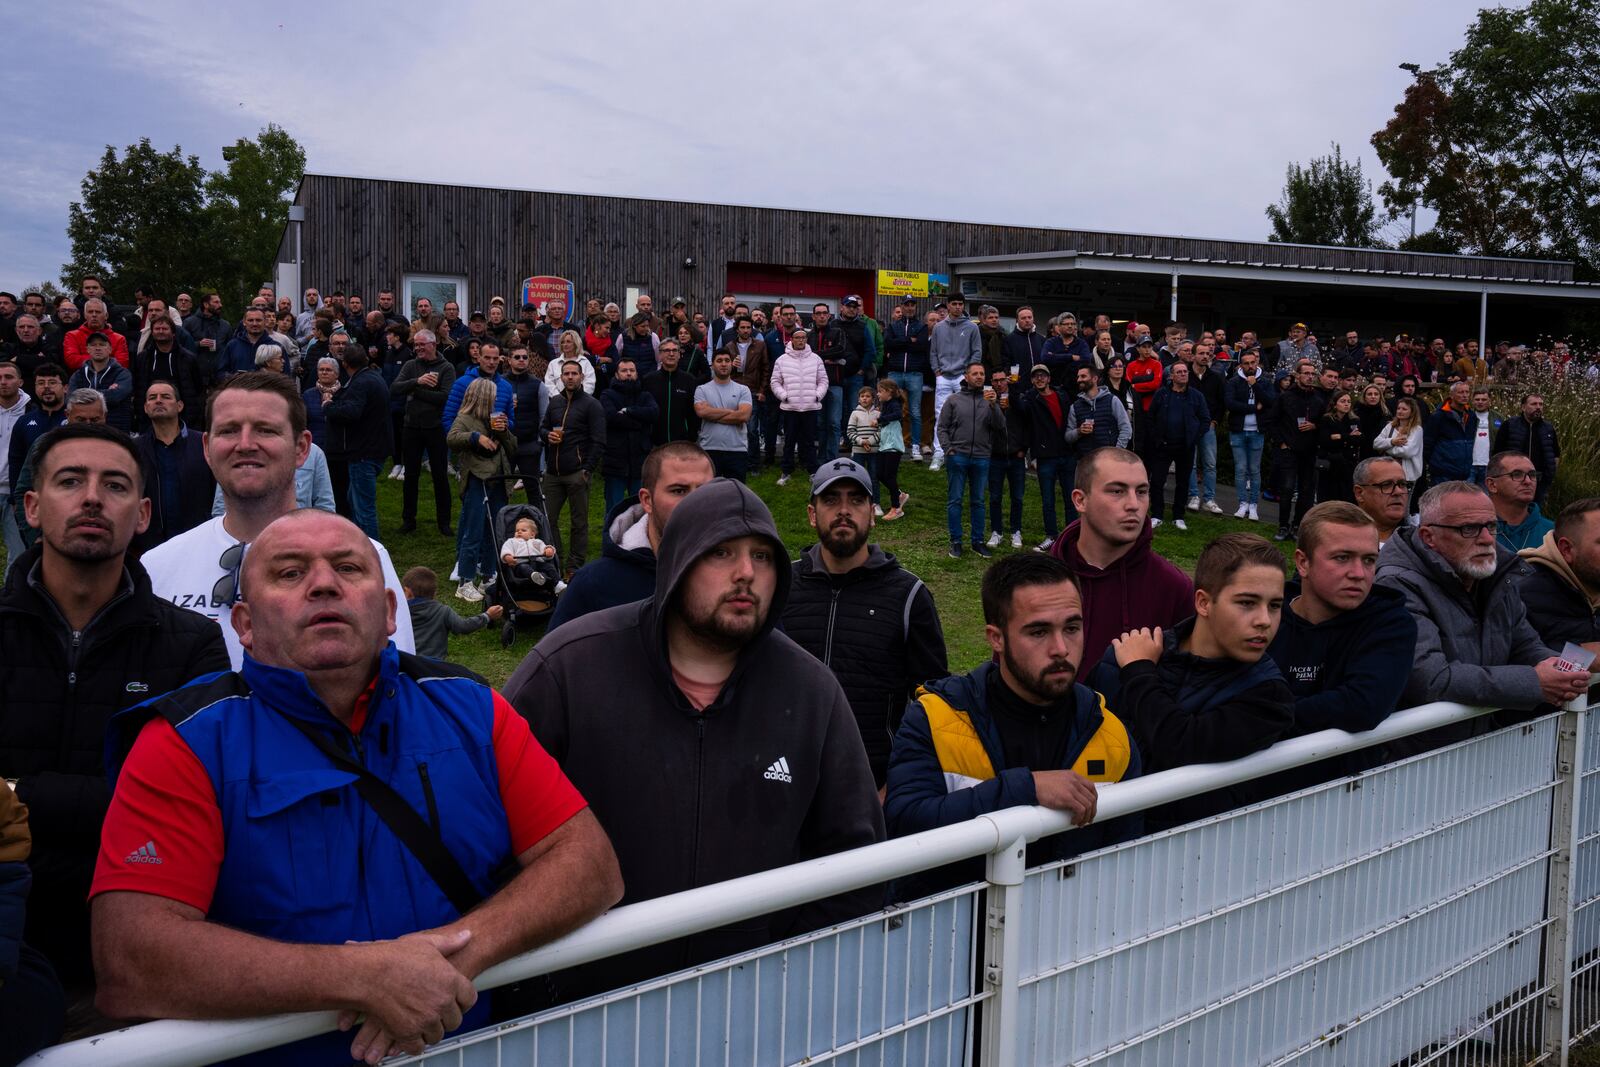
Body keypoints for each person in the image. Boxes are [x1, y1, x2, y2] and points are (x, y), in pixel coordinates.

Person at [92, 509, 622, 1066]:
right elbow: (132, 958)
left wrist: (455, 958)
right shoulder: (186, 741)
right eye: (290, 573)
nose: (324, 583)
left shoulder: (471, 708)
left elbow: (589, 864)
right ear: (243, 625)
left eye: (348, 567)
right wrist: (361, 977)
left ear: (389, 610)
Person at [503, 479, 885, 998]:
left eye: (762, 557)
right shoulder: (568, 669)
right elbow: (488, 840)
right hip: (581, 1011)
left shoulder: (811, 691)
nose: (746, 573)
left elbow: (855, 858)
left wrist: (787, 976)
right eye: (720, 552)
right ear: (677, 562)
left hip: (751, 1008)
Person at [1, 423, 228, 990]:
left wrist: (18, 795)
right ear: (32, 506)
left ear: (144, 513)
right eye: (70, 481)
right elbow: (136, 804)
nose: (93, 498)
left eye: (116, 485)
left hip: (135, 935)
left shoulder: (192, 643)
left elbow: (189, 806)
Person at [884, 553, 1139, 889]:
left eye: (1072, 628)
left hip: (1067, 934)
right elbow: (903, 823)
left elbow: (1128, 861)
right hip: (948, 933)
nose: (1061, 648)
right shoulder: (936, 716)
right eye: (1038, 632)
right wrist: (1026, 788)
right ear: (996, 638)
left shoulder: (1110, 734)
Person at [142, 372, 415, 667]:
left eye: (266, 430)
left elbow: (394, 686)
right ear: (207, 448)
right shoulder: (157, 566)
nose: (245, 444)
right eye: (229, 431)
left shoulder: (364, 559)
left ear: (301, 448)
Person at [1375, 480, 1589, 757]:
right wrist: (1535, 682)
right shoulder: (1398, 584)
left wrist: (1567, 671)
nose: (1488, 539)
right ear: (1429, 537)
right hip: (1416, 762)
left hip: (1484, 745)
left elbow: (1525, 645)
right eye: (1469, 529)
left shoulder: (1496, 574)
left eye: (1491, 526)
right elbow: (1430, 678)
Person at [1102, 533, 1296, 829]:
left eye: (1274, 605)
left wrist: (1140, 673)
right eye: (1247, 603)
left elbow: (1181, 744)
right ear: (1204, 603)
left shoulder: (1269, 695)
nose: (1264, 620)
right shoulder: (1129, 654)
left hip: (1196, 854)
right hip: (1097, 848)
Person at [782, 458, 948, 788]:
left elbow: (934, 703)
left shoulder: (908, 594)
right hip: (784, 780)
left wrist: (899, 781)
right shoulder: (779, 586)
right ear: (812, 514)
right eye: (831, 500)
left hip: (873, 785)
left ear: (872, 514)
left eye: (856, 500)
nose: (844, 510)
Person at [1262, 502, 1416, 792]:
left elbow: (1363, 705)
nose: (1358, 573)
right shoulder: (1265, 613)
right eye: (1342, 558)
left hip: (1341, 800)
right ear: (1303, 562)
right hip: (1244, 797)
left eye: (1369, 560)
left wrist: (1255, 718)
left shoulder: (1391, 622)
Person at [1049, 447, 1194, 678]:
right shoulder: (1038, 581)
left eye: (1142, 491)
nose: (1133, 504)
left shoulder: (1174, 589)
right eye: (1117, 491)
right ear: (1080, 500)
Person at [548, 442, 714, 631]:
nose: (694, 502)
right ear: (647, 500)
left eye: (704, 490)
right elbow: (555, 659)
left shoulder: (738, 574)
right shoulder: (594, 584)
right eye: (679, 491)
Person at [447, 378, 518, 603]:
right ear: (484, 396)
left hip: (499, 480)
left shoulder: (496, 418)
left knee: (494, 530)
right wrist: (476, 437)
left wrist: (505, 431)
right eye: (494, 396)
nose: (497, 399)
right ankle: (465, 581)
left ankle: (488, 575)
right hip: (478, 480)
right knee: (474, 530)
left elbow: (513, 447)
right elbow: (452, 438)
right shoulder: (466, 418)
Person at [130, 381, 214, 551]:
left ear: (179, 405)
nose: (158, 401)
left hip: (198, 543)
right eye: (152, 398)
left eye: (166, 397)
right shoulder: (134, 449)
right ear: (146, 408)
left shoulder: (203, 443)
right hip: (150, 547)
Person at [540, 360, 606, 576]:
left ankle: (574, 566)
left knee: (579, 523)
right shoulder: (555, 402)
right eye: (566, 374)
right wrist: (546, 436)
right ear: (561, 377)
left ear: (581, 377)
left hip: (577, 472)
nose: (570, 377)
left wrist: (587, 469)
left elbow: (599, 441)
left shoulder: (591, 405)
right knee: (547, 520)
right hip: (553, 473)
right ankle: (555, 560)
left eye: (574, 373)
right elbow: (543, 428)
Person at [390, 330, 457, 536]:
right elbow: (394, 388)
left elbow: (445, 397)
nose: (417, 348)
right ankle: (408, 520)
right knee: (411, 475)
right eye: (415, 345)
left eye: (422, 345)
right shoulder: (411, 366)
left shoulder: (446, 368)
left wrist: (415, 392)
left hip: (436, 428)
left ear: (433, 344)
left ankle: (443, 522)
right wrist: (417, 382)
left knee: (440, 476)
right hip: (411, 427)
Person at [937, 362, 1006, 559]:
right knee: (955, 500)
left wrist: (994, 406)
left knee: (978, 501)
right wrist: (948, 449)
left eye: (982, 373)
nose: (979, 377)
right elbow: (942, 427)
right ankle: (956, 541)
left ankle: (977, 541)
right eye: (974, 373)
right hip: (957, 456)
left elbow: (1000, 427)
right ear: (966, 377)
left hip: (982, 457)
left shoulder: (990, 400)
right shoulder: (954, 399)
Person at [323, 346, 392, 540]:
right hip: (374, 448)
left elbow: (351, 412)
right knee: (353, 500)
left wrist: (328, 406)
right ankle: (358, 543)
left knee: (363, 507)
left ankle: (371, 551)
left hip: (363, 452)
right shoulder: (372, 377)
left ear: (344, 364)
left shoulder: (361, 382)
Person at [1518, 498, 1600, 654]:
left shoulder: (1593, 580)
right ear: (1567, 550)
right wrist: (1584, 656)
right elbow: (1514, 659)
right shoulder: (1521, 596)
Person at [1144, 360, 1209, 531]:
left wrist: (1194, 437)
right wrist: (1156, 438)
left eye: (1185, 371)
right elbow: (1150, 418)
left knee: (1183, 483)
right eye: (1179, 372)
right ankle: (1157, 514)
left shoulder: (1196, 396)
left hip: (1185, 447)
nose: (1183, 374)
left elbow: (1205, 420)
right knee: (1157, 481)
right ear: (1171, 376)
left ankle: (1178, 516)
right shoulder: (1161, 394)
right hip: (1163, 446)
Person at [1016, 363, 1073, 545]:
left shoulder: (1062, 395)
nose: (1039, 379)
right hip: (1045, 455)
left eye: (1042, 375)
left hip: (1066, 453)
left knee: (1070, 497)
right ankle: (1051, 535)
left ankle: (1072, 536)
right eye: (1035, 376)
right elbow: (1020, 409)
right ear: (1032, 381)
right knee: (1047, 499)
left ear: (1049, 378)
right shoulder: (1030, 399)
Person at [403, 565, 503, 661]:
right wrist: (487, 615)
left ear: (408, 592)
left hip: (406, 664)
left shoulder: (398, 612)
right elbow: (463, 626)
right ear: (434, 593)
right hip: (434, 667)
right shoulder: (442, 611)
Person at [927, 295, 981, 471]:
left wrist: (968, 373)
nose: (958, 307)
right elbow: (933, 351)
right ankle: (939, 454)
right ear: (948, 306)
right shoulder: (938, 328)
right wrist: (936, 370)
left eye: (960, 304)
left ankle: (961, 452)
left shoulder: (972, 327)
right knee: (940, 415)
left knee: (964, 415)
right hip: (942, 376)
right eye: (954, 304)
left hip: (962, 376)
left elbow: (976, 352)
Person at [1272, 360, 1324, 540]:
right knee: (1286, 489)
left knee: (1306, 491)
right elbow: (1273, 421)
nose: (1310, 377)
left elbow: (1324, 424)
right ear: (1298, 375)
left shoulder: (1318, 398)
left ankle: (1296, 526)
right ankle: (1283, 526)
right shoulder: (1286, 397)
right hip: (1289, 449)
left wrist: (1314, 426)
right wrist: (1281, 443)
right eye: (1306, 373)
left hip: (1309, 452)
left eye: (1312, 374)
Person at [598, 357, 659, 511]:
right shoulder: (607, 394)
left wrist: (628, 411)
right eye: (624, 371)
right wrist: (639, 422)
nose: (628, 374)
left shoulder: (645, 396)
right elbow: (611, 417)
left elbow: (653, 413)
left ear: (637, 373)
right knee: (614, 508)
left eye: (632, 370)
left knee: (641, 508)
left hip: (640, 460)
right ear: (617, 374)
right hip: (615, 459)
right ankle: (610, 536)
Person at [771, 328, 827, 485]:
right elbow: (775, 381)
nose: (801, 340)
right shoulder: (782, 360)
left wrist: (817, 395)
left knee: (809, 441)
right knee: (789, 440)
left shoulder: (815, 359)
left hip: (810, 407)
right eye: (798, 338)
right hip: (790, 407)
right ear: (792, 340)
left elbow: (823, 380)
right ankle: (786, 472)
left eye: (803, 337)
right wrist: (784, 396)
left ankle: (813, 471)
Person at [1225, 348, 1274, 521]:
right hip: (1238, 431)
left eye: (1252, 362)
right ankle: (1242, 503)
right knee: (1240, 470)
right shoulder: (1233, 382)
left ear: (1257, 362)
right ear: (1241, 365)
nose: (1250, 366)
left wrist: (1255, 385)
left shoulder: (1266, 381)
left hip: (1257, 431)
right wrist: (1253, 408)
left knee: (1254, 470)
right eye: (1246, 363)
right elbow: (1230, 404)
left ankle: (1253, 505)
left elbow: (1269, 402)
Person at [693, 350, 753, 482]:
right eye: (719, 361)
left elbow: (743, 416)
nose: (724, 364)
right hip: (709, 448)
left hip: (737, 449)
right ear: (712, 365)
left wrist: (713, 414)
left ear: (732, 364)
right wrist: (732, 412)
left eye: (727, 360)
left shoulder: (743, 390)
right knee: (710, 494)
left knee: (736, 493)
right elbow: (702, 412)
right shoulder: (701, 390)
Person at [883, 297, 930, 459]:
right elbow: (888, 344)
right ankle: (890, 443)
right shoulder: (893, 325)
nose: (909, 308)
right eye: (906, 305)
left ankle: (915, 446)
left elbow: (922, 345)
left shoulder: (922, 326)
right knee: (890, 409)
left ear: (915, 307)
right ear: (901, 307)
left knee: (915, 412)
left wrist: (900, 342)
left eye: (912, 305)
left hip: (914, 373)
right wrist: (909, 340)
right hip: (895, 372)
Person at [1495, 393, 1561, 507]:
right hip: (1515, 477)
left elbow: (1555, 454)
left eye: (1541, 404)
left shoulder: (1548, 428)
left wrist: (1550, 475)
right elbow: (1497, 452)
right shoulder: (1510, 425)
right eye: (1534, 404)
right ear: (1523, 407)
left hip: (1540, 479)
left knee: (1535, 511)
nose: (1538, 407)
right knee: (1515, 509)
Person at [1485, 450, 1553, 552]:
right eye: (1517, 474)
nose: (1528, 481)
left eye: (1532, 475)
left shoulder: (1552, 533)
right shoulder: (1475, 531)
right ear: (1492, 485)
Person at [1185, 346, 1226, 514]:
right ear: (1193, 355)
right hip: (1189, 426)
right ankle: (1194, 496)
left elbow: (1221, 402)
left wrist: (1215, 421)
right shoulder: (1185, 375)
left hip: (1208, 426)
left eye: (1208, 354)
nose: (1205, 356)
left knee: (1210, 464)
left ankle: (1209, 499)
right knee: (1191, 463)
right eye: (1201, 353)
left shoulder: (1215, 378)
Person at [66, 332, 134, 431]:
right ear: (88, 349)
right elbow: (70, 399)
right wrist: (106, 392)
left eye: (102, 344)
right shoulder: (78, 375)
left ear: (110, 349)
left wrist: (83, 395)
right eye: (93, 345)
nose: (97, 348)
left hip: (116, 430)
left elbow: (116, 396)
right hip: (83, 430)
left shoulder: (123, 373)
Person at [641, 338, 700, 448]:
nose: (671, 354)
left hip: (683, 443)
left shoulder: (689, 380)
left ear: (679, 355)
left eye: (675, 350)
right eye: (667, 350)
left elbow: (694, 413)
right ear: (660, 355)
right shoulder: (648, 380)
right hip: (654, 443)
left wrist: (691, 436)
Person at [0, 362, 30, 561]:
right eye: (0, 377)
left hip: (14, 493)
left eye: (9, 377)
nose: (3, 382)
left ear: (20, 381)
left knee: (19, 554)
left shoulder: (31, 413)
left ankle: (12, 593)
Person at [1423, 381, 1477, 487]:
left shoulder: (1471, 416)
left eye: (1467, 392)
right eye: (1460, 392)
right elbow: (1427, 444)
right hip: (1443, 474)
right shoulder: (1438, 417)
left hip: (1465, 473)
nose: (1465, 395)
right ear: (1451, 395)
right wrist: (1436, 465)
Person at [1351, 456, 1414, 547]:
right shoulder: (1340, 542)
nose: (1398, 492)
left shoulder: (1423, 543)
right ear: (1359, 493)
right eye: (1386, 485)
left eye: (1402, 484)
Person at [1314, 390, 1361, 504]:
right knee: (1328, 495)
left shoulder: (1354, 420)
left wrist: (1340, 436)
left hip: (1348, 462)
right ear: (1335, 404)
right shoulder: (1327, 419)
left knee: (1346, 495)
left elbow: (1358, 439)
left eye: (1349, 402)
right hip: (1331, 462)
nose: (1346, 404)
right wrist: (1348, 437)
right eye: (1343, 401)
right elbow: (1325, 441)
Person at [500, 515, 565, 592]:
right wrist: (507, 557)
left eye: (523, 530)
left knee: (549, 567)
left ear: (532, 534)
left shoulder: (537, 542)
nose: (519, 532)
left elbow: (545, 550)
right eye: (517, 530)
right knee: (524, 568)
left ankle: (558, 584)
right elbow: (506, 550)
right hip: (520, 565)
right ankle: (535, 576)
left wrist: (548, 550)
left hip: (538, 564)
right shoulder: (511, 541)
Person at [874, 378, 909, 520]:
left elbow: (898, 415)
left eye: (880, 391)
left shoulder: (894, 404)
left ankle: (896, 508)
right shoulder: (886, 404)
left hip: (893, 446)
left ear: (889, 392)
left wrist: (879, 420)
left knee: (889, 476)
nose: (878, 394)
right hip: (885, 445)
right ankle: (900, 495)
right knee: (879, 474)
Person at [845, 385, 881, 506]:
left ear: (873, 399)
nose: (864, 398)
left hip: (874, 451)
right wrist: (861, 441)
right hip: (858, 451)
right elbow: (850, 431)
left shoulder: (877, 414)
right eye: (862, 396)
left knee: (874, 478)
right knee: (857, 477)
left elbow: (881, 431)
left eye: (868, 396)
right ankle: (857, 502)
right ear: (859, 399)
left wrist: (869, 442)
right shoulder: (855, 413)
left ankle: (875, 503)